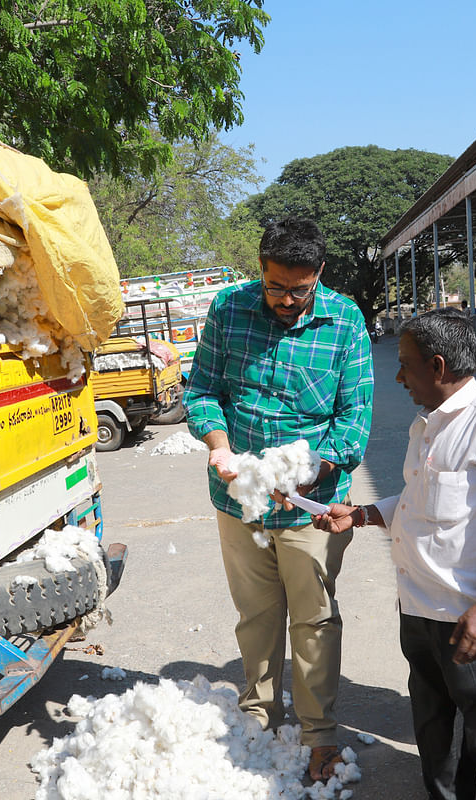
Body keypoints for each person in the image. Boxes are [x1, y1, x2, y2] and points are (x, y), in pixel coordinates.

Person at [315, 308, 476, 800]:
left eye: (405, 364)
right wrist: (361, 514)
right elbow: (421, 501)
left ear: (437, 367)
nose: (397, 376)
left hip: (472, 615)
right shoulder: (428, 425)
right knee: (438, 739)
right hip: (418, 611)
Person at [183, 217, 374, 782]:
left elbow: (354, 421)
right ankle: (258, 720)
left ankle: (318, 738)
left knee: (314, 621)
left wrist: (314, 473)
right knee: (257, 616)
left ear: (319, 274)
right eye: (275, 287)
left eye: (299, 289)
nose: (286, 301)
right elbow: (204, 392)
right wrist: (220, 448)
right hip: (238, 501)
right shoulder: (229, 309)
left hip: (311, 504)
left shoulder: (345, 321)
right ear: (260, 271)